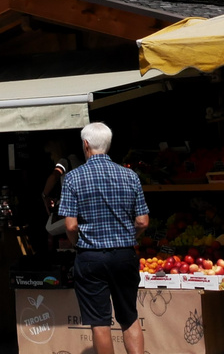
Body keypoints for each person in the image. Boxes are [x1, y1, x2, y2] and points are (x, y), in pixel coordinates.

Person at [57, 123, 148, 354]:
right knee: (129, 317)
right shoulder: (130, 175)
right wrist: (128, 236)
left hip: (91, 257)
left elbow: (70, 225)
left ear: (85, 145)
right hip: (125, 253)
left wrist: (77, 242)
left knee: (100, 322)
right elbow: (143, 221)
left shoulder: (73, 178)